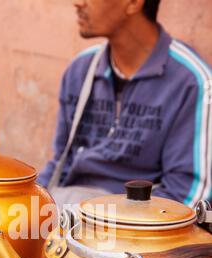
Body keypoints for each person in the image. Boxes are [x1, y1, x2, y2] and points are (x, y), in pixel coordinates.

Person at [38, 0, 212, 208]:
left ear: (133, 3)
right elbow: (61, 164)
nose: (77, 3)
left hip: (139, 226)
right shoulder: (80, 70)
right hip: (70, 215)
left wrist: (108, 228)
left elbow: (188, 194)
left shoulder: (191, 81)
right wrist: (28, 204)